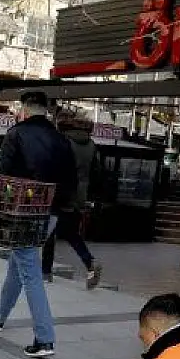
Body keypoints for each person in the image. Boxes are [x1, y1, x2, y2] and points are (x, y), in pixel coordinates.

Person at [0, 91, 76, 358]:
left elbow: (4, 177)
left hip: (23, 213)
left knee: (30, 272)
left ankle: (45, 338)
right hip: (52, 213)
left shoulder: (16, 134)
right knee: (20, 262)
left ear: (24, 108)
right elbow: (72, 181)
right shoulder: (63, 141)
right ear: (46, 110)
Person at [46, 117, 103, 288]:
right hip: (79, 196)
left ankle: (45, 272)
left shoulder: (63, 142)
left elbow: (56, 168)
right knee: (70, 232)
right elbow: (97, 172)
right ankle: (90, 263)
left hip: (61, 192)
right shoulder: (91, 145)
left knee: (50, 231)